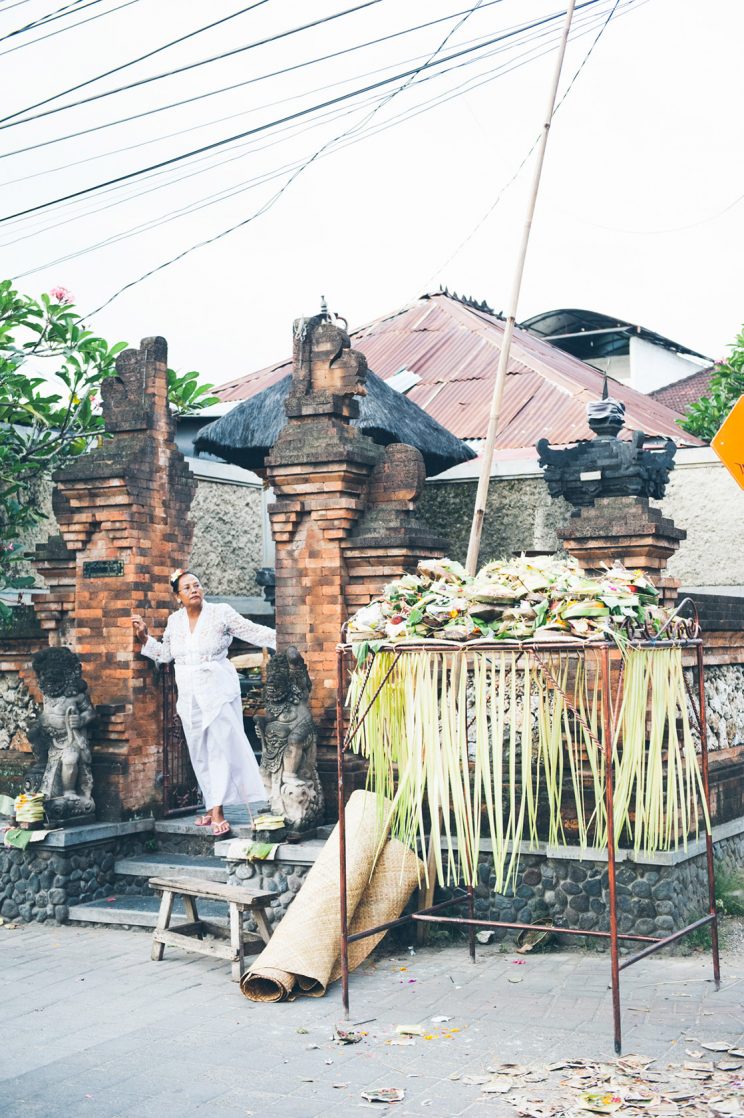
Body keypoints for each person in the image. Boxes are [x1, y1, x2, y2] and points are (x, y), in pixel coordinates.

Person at [131, 568, 276, 837]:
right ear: (178, 596)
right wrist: (144, 638)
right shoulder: (175, 621)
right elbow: (165, 655)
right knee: (199, 751)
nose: (194, 590)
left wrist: (288, 637)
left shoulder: (221, 613)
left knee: (220, 747)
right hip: (189, 695)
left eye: (196, 585)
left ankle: (218, 810)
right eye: (187, 588)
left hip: (218, 689)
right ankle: (211, 805)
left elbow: (253, 631)